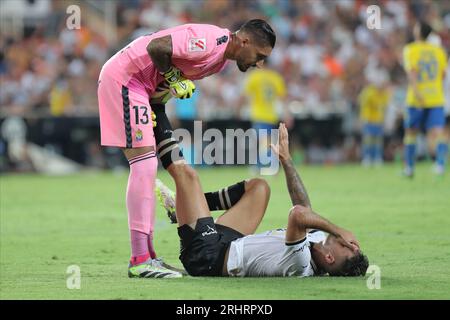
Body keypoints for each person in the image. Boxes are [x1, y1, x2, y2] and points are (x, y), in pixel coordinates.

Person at [97, 19, 276, 278]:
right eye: (260, 56)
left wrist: (160, 96)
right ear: (245, 41)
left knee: (163, 166)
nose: (259, 64)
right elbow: (157, 47)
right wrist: (172, 78)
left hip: (144, 91)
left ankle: (149, 258)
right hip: (127, 79)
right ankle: (140, 260)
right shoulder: (212, 41)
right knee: (144, 164)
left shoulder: (219, 60)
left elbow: (165, 75)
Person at [155, 121, 369, 277]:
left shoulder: (301, 264)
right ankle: (183, 206)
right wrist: (286, 160)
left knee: (187, 176)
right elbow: (304, 207)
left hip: (208, 258)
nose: (347, 243)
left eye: (347, 249)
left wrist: (338, 229)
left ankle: (157, 109)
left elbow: (298, 214)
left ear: (330, 258)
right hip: (231, 242)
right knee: (260, 188)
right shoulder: (318, 243)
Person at [402, 21, 448, 177]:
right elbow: (443, 75)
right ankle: (440, 165)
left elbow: (412, 73)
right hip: (436, 97)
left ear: (418, 32)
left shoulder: (410, 50)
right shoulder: (439, 51)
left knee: (411, 132)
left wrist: (417, 93)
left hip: (416, 98)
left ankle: (409, 168)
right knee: (439, 132)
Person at [243, 63, 289, 169]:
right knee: (266, 141)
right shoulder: (276, 77)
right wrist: (287, 114)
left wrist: (239, 108)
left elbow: (246, 94)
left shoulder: (254, 76)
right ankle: (264, 165)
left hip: (258, 114)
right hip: (272, 115)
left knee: (264, 142)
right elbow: (283, 98)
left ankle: (262, 166)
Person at [358, 70, 391, 166]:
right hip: (369, 120)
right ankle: (367, 157)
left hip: (379, 120)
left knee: (378, 141)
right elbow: (363, 105)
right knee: (368, 140)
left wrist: (385, 119)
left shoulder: (384, 94)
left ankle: (377, 158)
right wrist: (362, 119)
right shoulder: (368, 92)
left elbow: (385, 107)